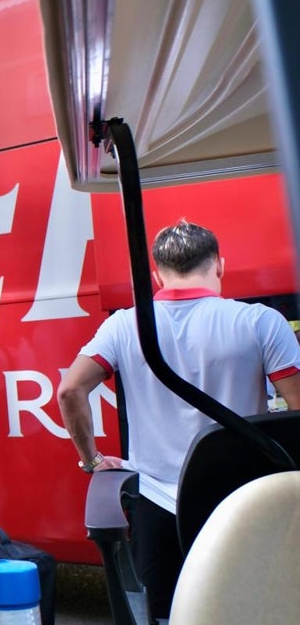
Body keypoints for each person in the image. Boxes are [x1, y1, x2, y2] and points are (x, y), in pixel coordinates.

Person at [56, 220, 300, 621]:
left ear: (157, 274)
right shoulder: (260, 321)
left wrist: (92, 460)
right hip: (239, 499)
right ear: (219, 265)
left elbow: (70, 390)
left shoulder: (124, 324)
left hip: (154, 500)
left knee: (162, 613)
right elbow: (297, 408)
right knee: (243, 608)